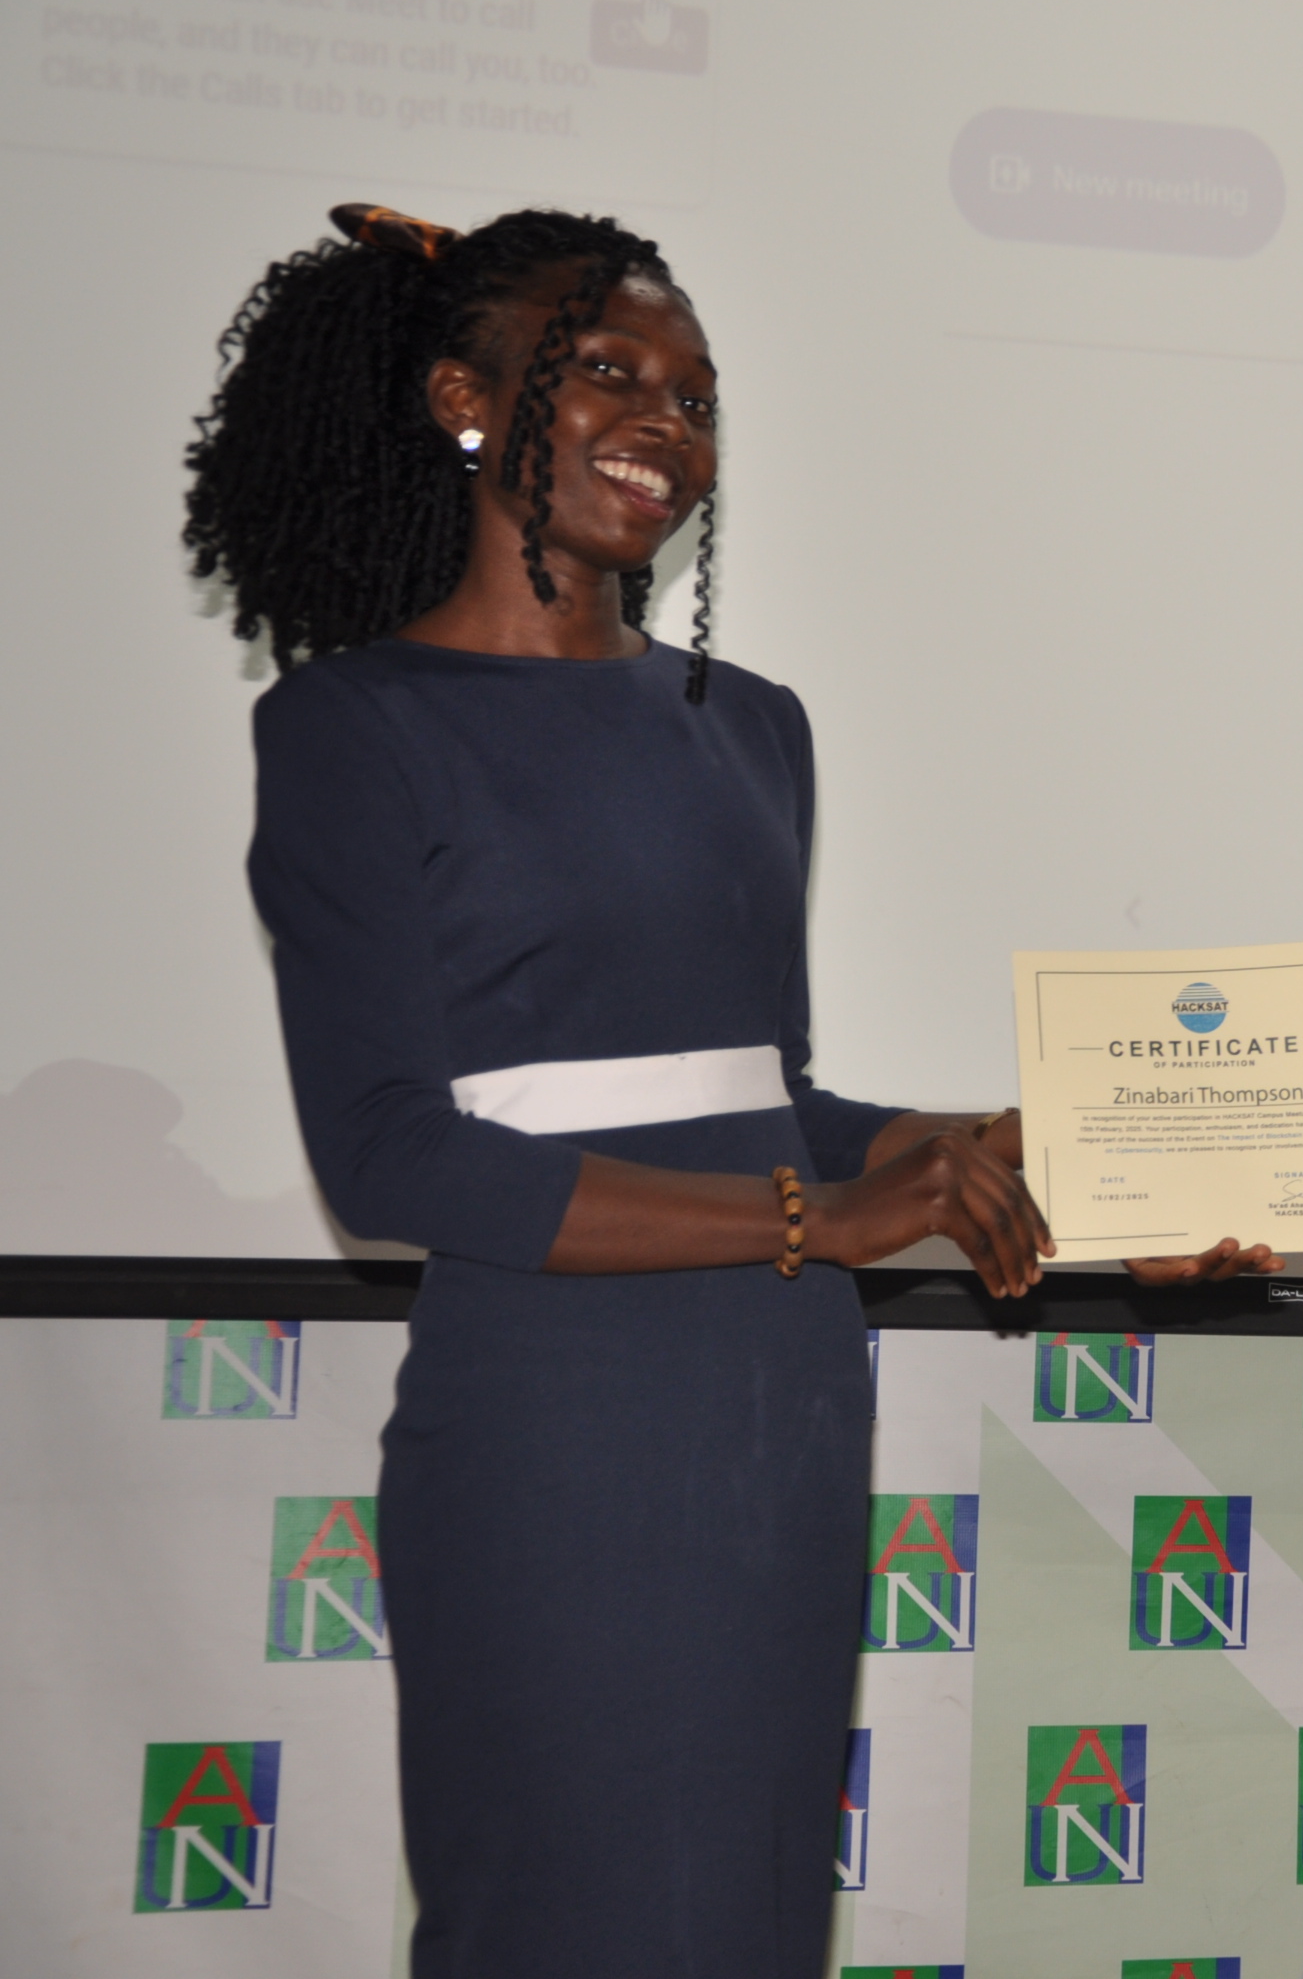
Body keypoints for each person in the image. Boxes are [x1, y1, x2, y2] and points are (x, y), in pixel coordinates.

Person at [187, 203, 1066, 1977]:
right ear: (464, 399)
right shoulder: (353, 727)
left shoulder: (756, 727)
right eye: (608, 372)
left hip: (780, 1411)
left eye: (698, 395)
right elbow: (392, 1155)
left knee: (743, 1926)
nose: (668, 422)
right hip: (560, 1426)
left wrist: (1025, 1152)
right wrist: (823, 1217)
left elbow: (769, 1095)